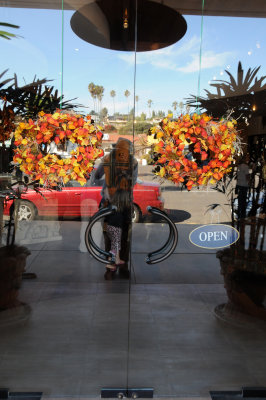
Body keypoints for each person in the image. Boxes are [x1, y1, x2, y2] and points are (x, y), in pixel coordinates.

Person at [91, 138, 138, 280]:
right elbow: (96, 177)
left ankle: (116, 266)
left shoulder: (126, 161)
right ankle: (114, 265)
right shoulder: (127, 161)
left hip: (120, 203)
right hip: (115, 202)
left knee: (118, 236)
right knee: (116, 235)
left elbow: (96, 178)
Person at [104, 189, 131, 278]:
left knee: (115, 244)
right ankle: (109, 263)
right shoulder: (124, 208)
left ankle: (117, 259)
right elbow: (127, 218)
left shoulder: (112, 206)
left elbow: (106, 217)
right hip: (116, 228)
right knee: (115, 245)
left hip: (109, 227)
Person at [236, 154, 250, 219]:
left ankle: (239, 213)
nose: (248, 159)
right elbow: (247, 176)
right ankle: (243, 216)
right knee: (243, 201)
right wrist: (249, 182)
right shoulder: (246, 167)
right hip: (244, 185)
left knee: (240, 200)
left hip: (239, 184)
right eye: (247, 158)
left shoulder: (239, 166)